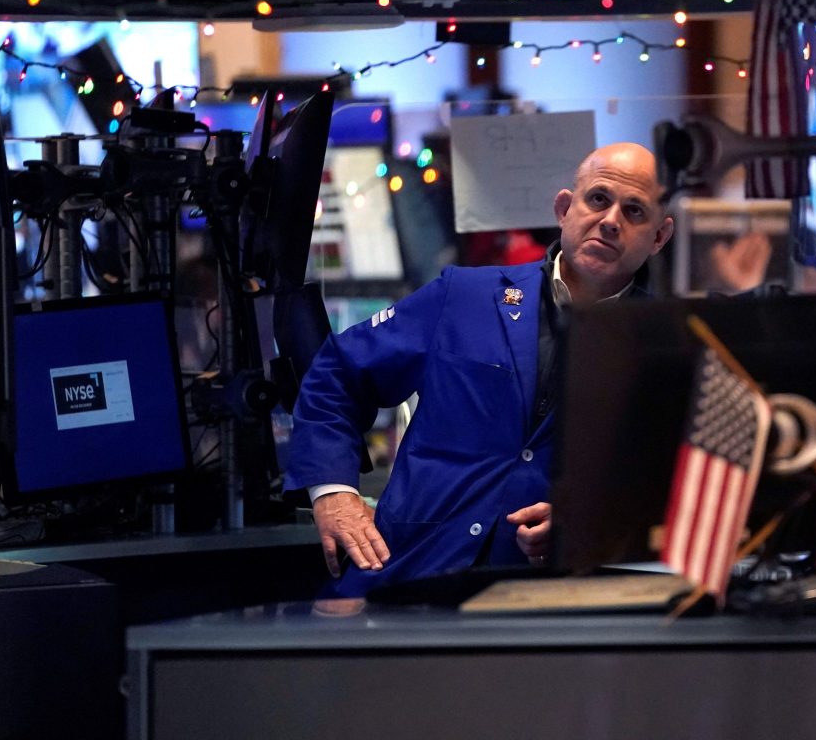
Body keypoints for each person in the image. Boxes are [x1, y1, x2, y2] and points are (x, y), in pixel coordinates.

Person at [284, 141, 675, 595]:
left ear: (659, 238)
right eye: (599, 199)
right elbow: (338, 374)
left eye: (634, 212)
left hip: (549, 603)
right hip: (406, 572)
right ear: (565, 208)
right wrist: (332, 492)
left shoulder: (665, 344)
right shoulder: (463, 296)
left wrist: (591, 524)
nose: (610, 221)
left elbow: (677, 488)